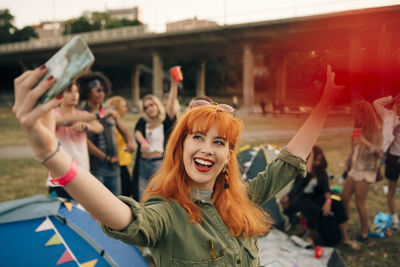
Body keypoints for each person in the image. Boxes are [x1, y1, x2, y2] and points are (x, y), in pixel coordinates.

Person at [13, 64, 342, 267]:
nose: (207, 150)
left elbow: (289, 160)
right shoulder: (166, 214)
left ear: (229, 155)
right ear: (180, 145)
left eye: (219, 143)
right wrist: (51, 153)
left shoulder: (243, 197)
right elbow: (121, 216)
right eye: (198, 137)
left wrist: (325, 104)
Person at [281, 146, 359, 249]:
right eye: (315, 160)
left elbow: (326, 189)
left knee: (339, 203)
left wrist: (328, 202)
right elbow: (307, 174)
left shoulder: (321, 171)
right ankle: (309, 235)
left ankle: (345, 238)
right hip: (299, 198)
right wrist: (311, 153)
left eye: (319, 160)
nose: (317, 163)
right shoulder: (300, 169)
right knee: (313, 209)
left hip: (314, 196)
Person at [77, 72, 135, 196]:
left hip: (114, 167)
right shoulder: (81, 113)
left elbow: (124, 132)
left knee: (117, 203)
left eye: (103, 90)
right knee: (99, 205)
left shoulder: (110, 110)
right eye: (97, 90)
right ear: (87, 92)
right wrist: (106, 158)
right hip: (96, 168)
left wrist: (130, 144)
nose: (101, 93)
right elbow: (86, 143)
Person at [47, 82, 103, 200]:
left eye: (76, 91)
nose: (74, 95)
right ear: (60, 94)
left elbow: (99, 127)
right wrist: (90, 118)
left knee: (82, 215)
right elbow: (64, 121)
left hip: (82, 175)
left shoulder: (83, 114)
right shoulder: (53, 113)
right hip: (60, 176)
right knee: (62, 216)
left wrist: (88, 126)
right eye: (69, 91)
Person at [341, 100, 383, 243]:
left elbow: (379, 153)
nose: (356, 117)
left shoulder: (376, 130)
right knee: (344, 197)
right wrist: (348, 159)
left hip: (366, 170)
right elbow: (354, 147)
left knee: (360, 202)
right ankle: (345, 224)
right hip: (354, 168)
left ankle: (365, 232)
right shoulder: (357, 127)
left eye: (358, 115)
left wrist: (366, 141)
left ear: (365, 114)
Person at [133, 79, 179, 200]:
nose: (149, 109)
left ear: (157, 105)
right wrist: (142, 141)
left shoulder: (166, 121)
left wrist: (173, 86)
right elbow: (137, 131)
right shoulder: (144, 121)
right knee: (141, 198)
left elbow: (171, 105)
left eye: (151, 105)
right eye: (146, 107)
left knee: (156, 197)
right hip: (142, 163)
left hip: (158, 164)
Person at [373, 95, 400, 231]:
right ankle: (394, 218)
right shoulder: (388, 115)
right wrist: (391, 98)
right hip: (393, 158)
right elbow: (376, 103)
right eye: (399, 101)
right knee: (391, 189)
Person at [105, 96, 136, 197]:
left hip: (123, 162)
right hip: (118, 163)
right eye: (123, 106)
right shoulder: (112, 124)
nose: (126, 108)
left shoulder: (120, 121)